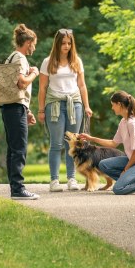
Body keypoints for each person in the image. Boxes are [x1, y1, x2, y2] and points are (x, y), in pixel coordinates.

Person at [37, 28, 93, 192]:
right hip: (54, 105)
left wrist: (87, 106)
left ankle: (71, 179)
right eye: (63, 43)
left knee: (73, 143)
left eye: (69, 43)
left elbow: (82, 85)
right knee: (56, 144)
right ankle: (54, 180)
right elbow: (42, 88)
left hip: (74, 104)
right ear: (57, 43)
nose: (66, 46)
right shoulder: (48, 62)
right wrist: (41, 110)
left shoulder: (77, 61)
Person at [78, 91, 135, 196]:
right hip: (133, 160)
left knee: (118, 189)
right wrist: (91, 138)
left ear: (119, 104)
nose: (112, 108)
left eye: (113, 105)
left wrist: (126, 169)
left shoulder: (132, 124)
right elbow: (113, 143)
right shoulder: (123, 122)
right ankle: (128, 181)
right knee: (103, 164)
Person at [1, 24, 41, 200]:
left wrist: (27, 110)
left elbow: (14, 91)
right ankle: (18, 188)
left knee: (13, 148)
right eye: (34, 44)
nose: (34, 47)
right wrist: (35, 73)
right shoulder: (20, 59)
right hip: (15, 108)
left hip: (12, 107)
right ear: (28, 42)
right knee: (19, 149)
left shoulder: (11, 57)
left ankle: (14, 188)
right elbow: (21, 83)